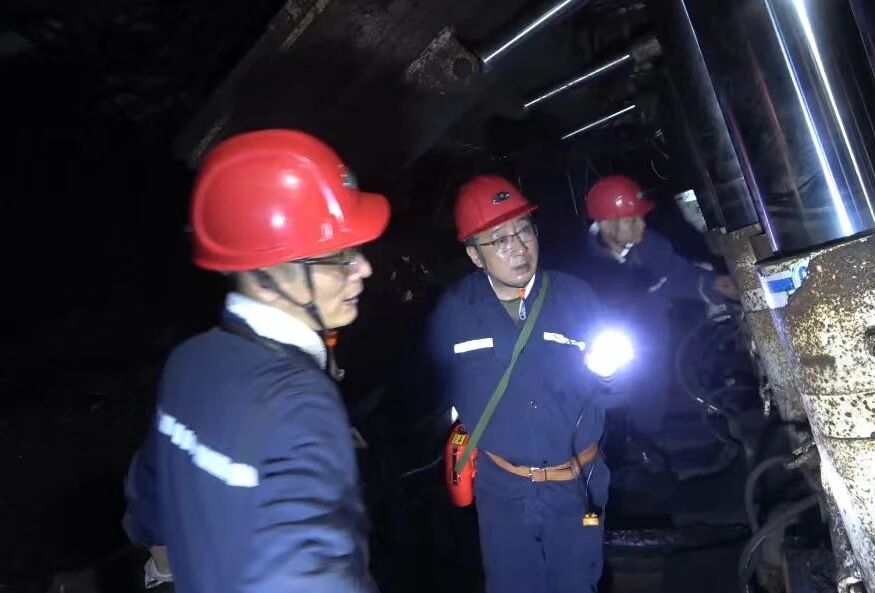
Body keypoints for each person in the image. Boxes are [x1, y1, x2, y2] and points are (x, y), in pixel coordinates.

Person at [123, 129, 390, 593]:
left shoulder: (188, 361)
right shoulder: (299, 404)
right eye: (338, 256)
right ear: (265, 276)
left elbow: (150, 499)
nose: (363, 268)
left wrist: (169, 568)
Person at [426, 175, 621, 593]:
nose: (518, 247)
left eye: (524, 231)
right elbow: (437, 387)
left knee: (577, 584)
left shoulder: (577, 298)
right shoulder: (454, 314)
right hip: (502, 492)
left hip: (578, 487)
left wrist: (610, 374)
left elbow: (622, 387)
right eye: (499, 239)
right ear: (475, 255)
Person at [579, 174, 736, 440]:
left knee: (652, 385)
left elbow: (680, 275)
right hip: (603, 348)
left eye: (641, 218)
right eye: (632, 221)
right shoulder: (582, 261)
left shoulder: (650, 246)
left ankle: (646, 443)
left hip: (650, 340)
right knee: (603, 399)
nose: (642, 225)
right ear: (606, 224)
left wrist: (716, 283)